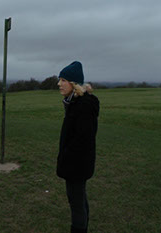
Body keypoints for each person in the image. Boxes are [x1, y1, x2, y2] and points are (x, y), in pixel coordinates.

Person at [56, 61, 100, 233]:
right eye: (59, 79)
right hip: (76, 163)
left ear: (74, 84)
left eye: (63, 80)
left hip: (76, 164)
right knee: (79, 198)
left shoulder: (83, 106)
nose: (59, 84)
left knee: (76, 202)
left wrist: (66, 156)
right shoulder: (75, 102)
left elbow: (83, 139)